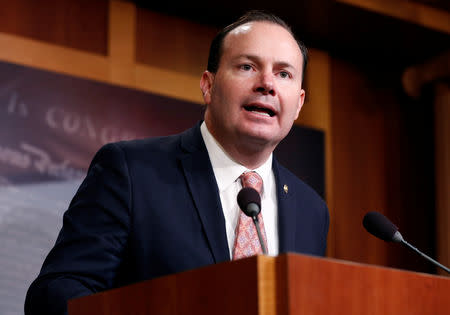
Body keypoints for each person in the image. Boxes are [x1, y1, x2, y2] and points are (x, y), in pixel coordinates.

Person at [25, 10, 329, 315]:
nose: (267, 84)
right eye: (247, 66)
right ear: (208, 86)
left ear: (299, 103)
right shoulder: (131, 172)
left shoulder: (310, 210)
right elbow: (56, 293)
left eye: (284, 73)